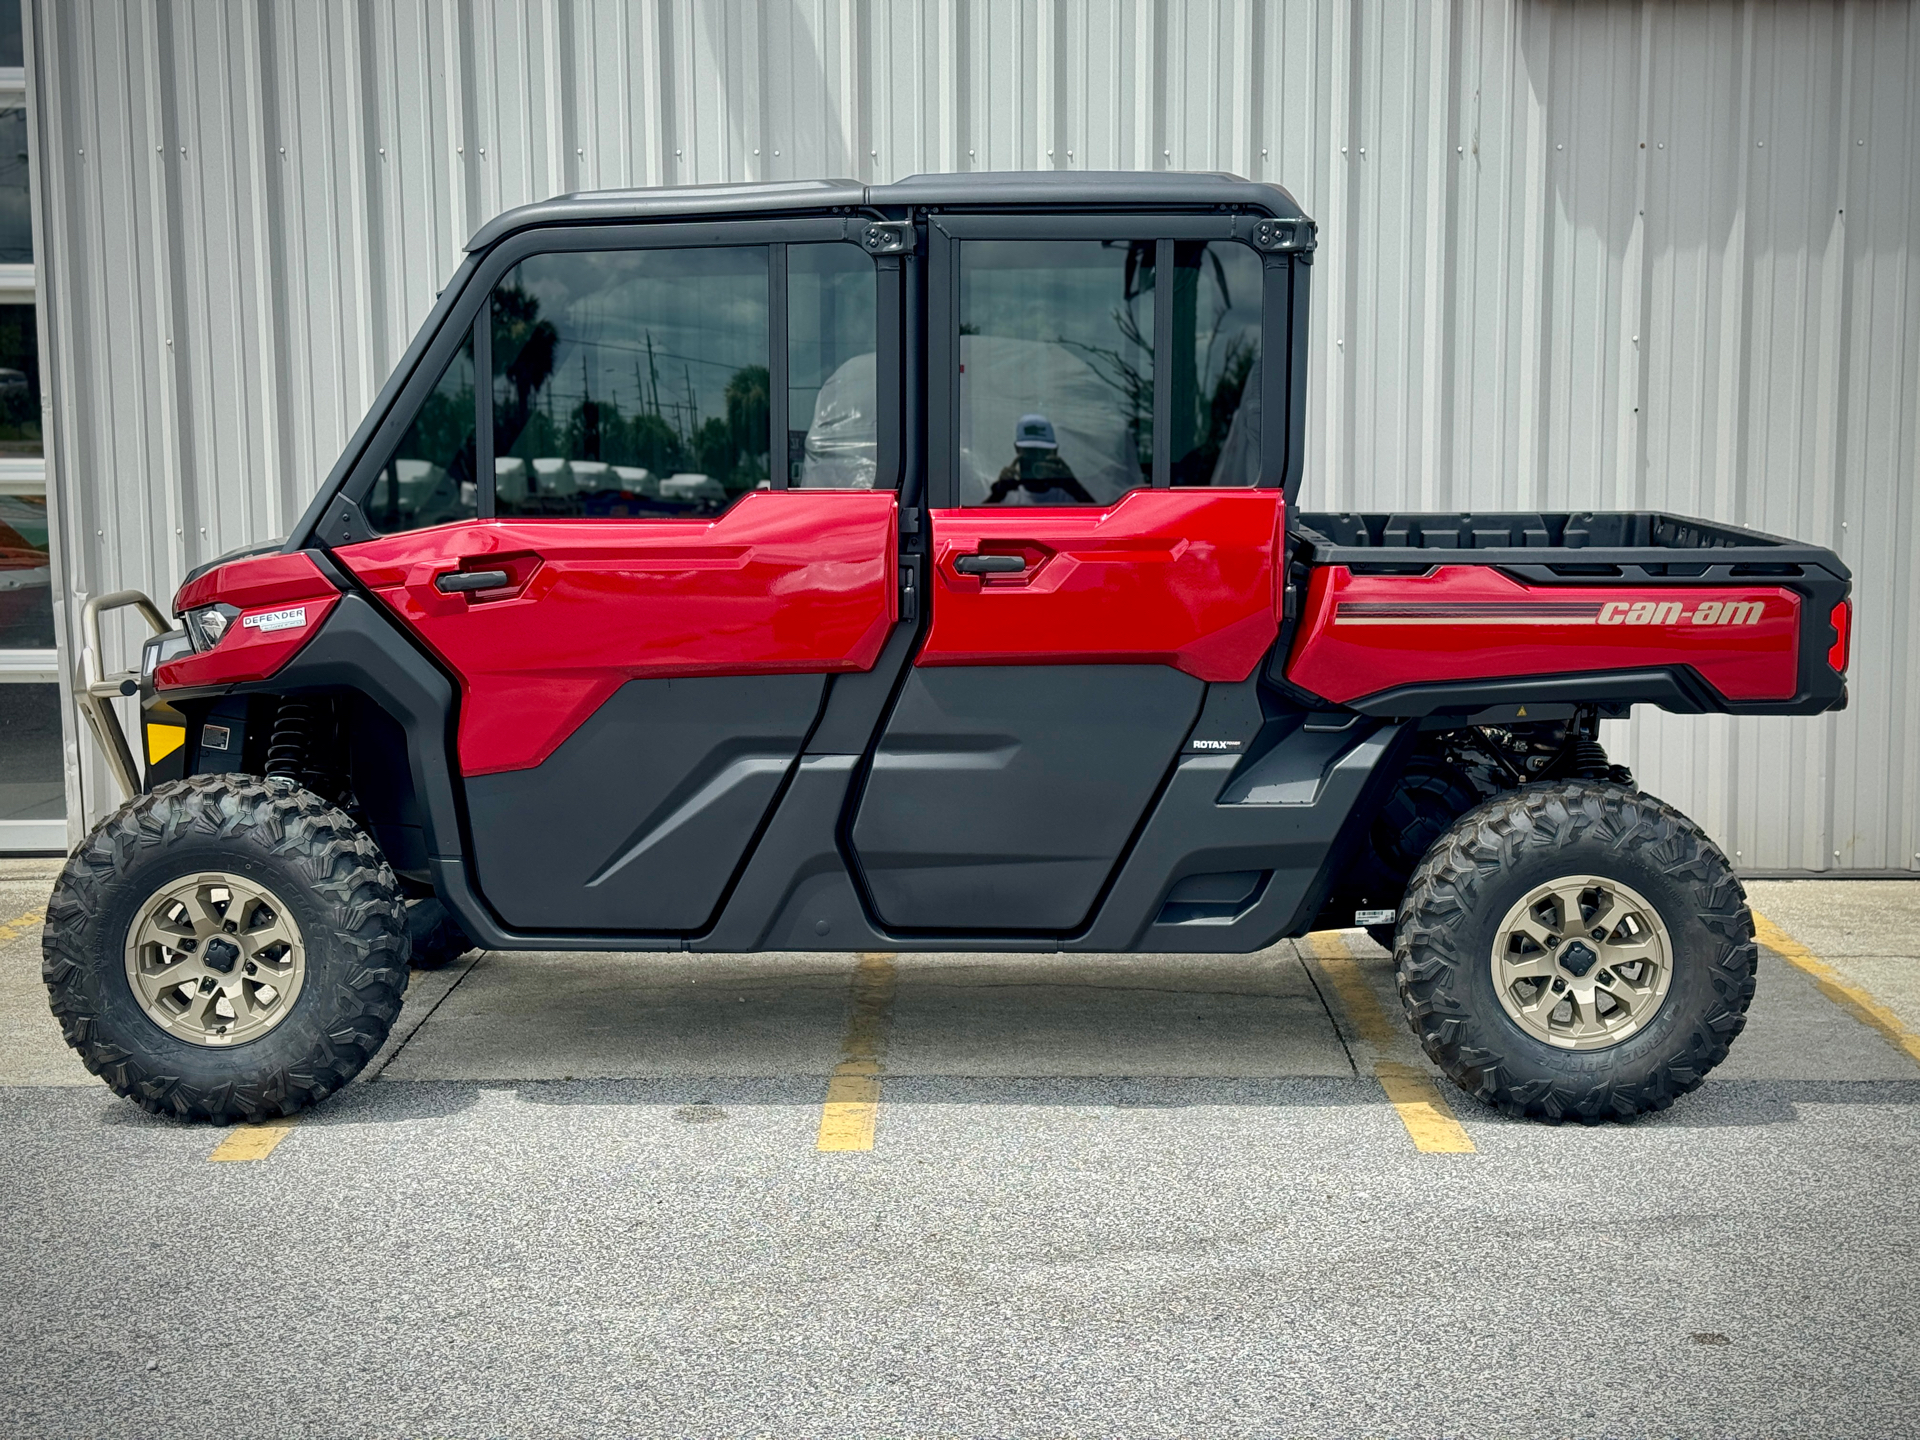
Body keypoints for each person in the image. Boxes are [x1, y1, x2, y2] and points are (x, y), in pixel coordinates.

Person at [985, 413, 1094, 505]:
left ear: (1055, 452)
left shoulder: (1069, 496)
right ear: (1017, 449)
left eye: (1042, 452)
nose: (1036, 458)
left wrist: (1074, 488)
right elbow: (975, 524)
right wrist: (997, 495)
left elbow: (1101, 522)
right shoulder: (1007, 495)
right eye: (1030, 451)